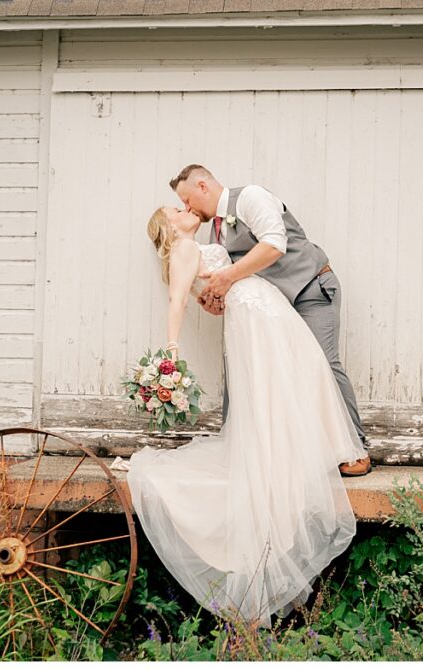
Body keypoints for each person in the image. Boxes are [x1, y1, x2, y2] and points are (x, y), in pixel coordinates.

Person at [126, 204, 367, 628]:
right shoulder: (182, 247)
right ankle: (282, 454)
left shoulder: (197, 245)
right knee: (276, 382)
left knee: (296, 375)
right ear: (168, 226)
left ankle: (298, 447)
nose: (185, 210)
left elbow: (202, 289)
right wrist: (172, 351)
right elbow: (176, 298)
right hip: (254, 315)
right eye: (176, 209)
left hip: (263, 310)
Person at [170, 164, 371, 477]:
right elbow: (238, 273)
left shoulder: (251, 198)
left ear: (202, 186)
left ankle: (355, 447)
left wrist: (227, 278)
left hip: (309, 288)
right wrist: (217, 297)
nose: (187, 207)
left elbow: (274, 244)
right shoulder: (217, 229)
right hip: (276, 305)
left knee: (323, 364)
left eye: (187, 199)